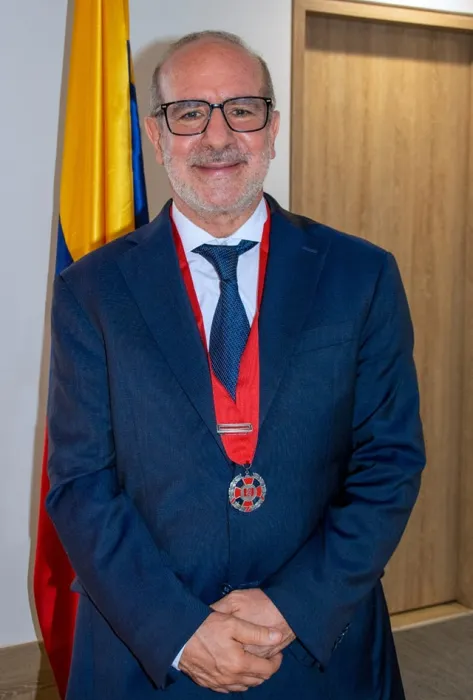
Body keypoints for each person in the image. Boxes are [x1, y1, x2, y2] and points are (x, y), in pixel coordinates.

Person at [46, 30, 425, 699]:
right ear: (156, 137)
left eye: (241, 109)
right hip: (150, 654)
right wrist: (182, 632)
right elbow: (80, 484)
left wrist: (290, 607)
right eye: (190, 112)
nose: (217, 137)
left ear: (271, 128)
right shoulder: (92, 292)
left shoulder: (358, 275)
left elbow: (389, 462)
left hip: (315, 645)